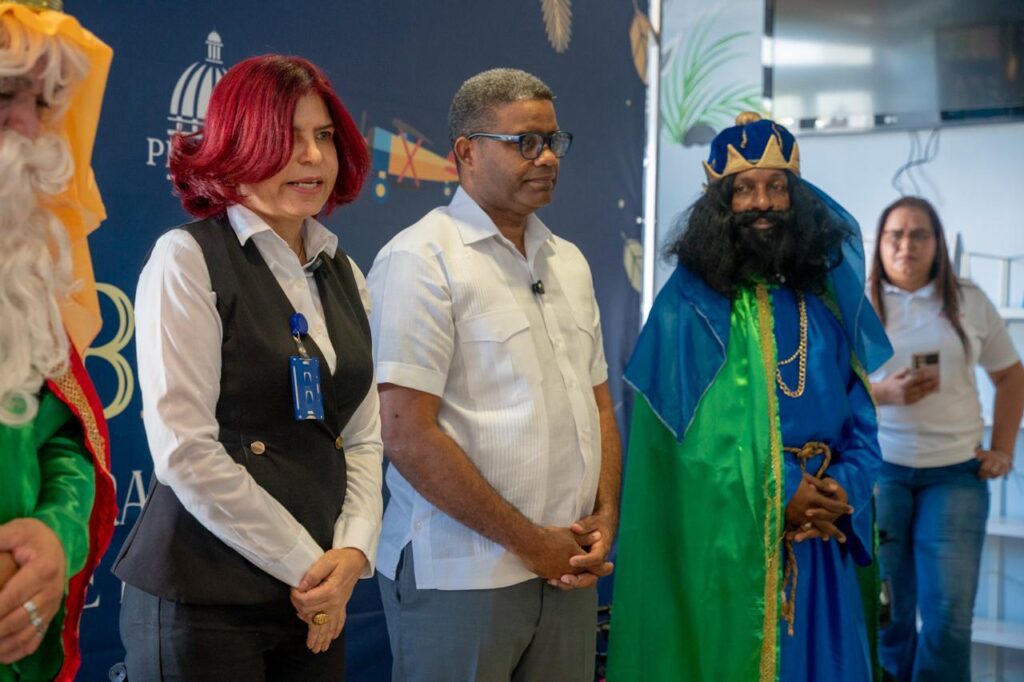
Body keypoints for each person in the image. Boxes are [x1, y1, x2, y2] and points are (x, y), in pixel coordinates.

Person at [112, 55, 382, 681]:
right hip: (203, 601)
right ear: (238, 146)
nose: (312, 156)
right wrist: (308, 567)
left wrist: (352, 552)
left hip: (317, 599)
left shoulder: (345, 272)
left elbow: (362, 436)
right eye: (287, 138)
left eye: (322, 136)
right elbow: (185, 451)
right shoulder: (187, 258)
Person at [608, 112, 893, 681]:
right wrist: (783, 492)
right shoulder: (685, 310)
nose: (762, 203)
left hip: (821, 542)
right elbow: (682, 449)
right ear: (721, 204)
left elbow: (862, 423)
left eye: (776, 187)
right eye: (744, 190)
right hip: (729, 553)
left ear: (796, 199)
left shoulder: (825, 306)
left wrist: (842, 488)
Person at [367, 67, 621, 682]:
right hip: (462, 575)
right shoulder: (420, 258)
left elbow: (599, 406)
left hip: (567, 570)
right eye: (524, 142)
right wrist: (531, 544)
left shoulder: (568, 262)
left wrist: (605, 515)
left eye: (552, 141)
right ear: (466, 152)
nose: (546, 158)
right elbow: (406, 435)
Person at [0, 2, 117, 680]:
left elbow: (63, 443)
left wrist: (55, 536)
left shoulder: (21, 273)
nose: (26, 125)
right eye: (3, 94)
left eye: (40, 102)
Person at [868, 196, 1024, 682]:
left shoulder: (968, 300)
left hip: (955, 476)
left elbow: (1011, 376)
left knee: (948, 623)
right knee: (886, 617)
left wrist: (1003, 450)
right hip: (880, 474)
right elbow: (829, 385)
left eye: (920, 234)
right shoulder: (857, 303)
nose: (906, 245)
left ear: (938, 243)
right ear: (879, 244)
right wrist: (884, 393)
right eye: (895, 235)